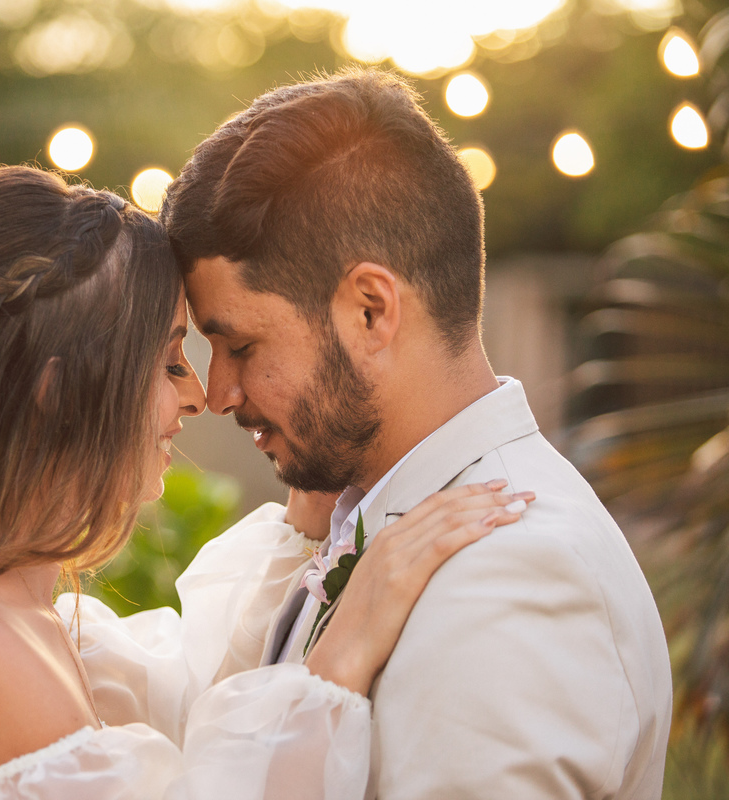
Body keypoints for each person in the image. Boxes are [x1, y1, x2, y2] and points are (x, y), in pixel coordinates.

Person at [0, 165, 532, 800]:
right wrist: (341, 656)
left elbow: (186, 708)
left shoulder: (20, 622)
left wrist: (313, 504)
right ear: (58, 391)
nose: (199, 397)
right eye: (170, 362)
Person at [144, 67, 672, 798]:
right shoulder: (358, 517)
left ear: (370, 311)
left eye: (240, 346)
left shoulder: (512, 577)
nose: (222, 392)